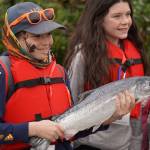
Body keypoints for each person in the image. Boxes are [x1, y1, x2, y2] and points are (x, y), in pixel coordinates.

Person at [0, 2, 135, 150]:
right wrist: (32, 129)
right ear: (14, 38)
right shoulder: (4, 72)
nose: (47, 42)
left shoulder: (60, 72)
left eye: (49, 34)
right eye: (37, 36)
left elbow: (71, 131)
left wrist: (108, 118)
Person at [64, 0, 150, 150]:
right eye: (116, 16)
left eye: (128, 14)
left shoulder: (136, 49)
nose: (125, 21)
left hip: (130, 143)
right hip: (91, 144)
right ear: (98, 19)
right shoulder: (83, 55)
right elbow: (69, 102)